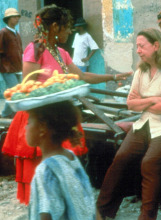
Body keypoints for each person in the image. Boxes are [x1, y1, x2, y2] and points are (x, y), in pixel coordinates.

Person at [1, 4, 131, 206]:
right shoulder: (35, 49)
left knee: (63, 176)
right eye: (67, 27)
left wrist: (114, 75)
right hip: (41, 121)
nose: (70, 31)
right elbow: (29, 86)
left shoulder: (62, 53)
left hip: (60, 118)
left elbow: (82, 76)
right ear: (54, 27)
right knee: (44, 180)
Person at [96, 28, 161, 220]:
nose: (138, 50)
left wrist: (144, 100)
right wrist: (154, 99)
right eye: (137, 46)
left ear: (156, 46)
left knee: (149, 163)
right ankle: (101, 211)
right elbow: (131, 104)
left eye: (141, 46)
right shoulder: (141, 71)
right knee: (121, 157)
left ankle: (147, 217)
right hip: (144, 123)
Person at [27, 101, 95, 220]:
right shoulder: (70, 157)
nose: (25, 127)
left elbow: (47, 215)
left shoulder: (46, 170)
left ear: (42, 128)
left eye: (28, 123)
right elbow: (90, 204)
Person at [0, 8, 23, 118]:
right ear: (8, 19)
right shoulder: (3, 32)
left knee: (16, 92)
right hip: (7, 68)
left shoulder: (17, 33)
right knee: (14, 92)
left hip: (18, 67)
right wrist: (3, 66)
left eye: (17, 17)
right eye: (14, 17)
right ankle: (5, 113)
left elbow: (20, 50)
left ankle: (11, 113)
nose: (17, 19)